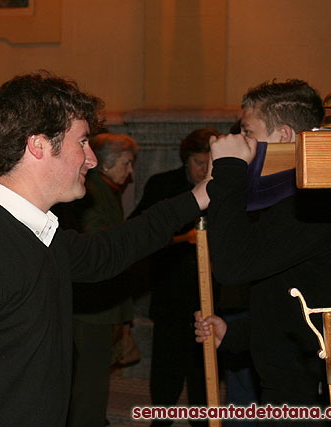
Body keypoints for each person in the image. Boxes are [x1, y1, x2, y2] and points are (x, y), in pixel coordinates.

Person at [0, 72, 219, 426]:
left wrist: (200, 195)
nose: (91, 159)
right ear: (37, 145)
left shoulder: (41, 234)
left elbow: (112, 249)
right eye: (82, 142)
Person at [195, 79, 331, 425]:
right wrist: (235, 335)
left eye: (247, 132)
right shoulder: (286, 201)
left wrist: (229, 171)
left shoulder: (316, 205)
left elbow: (232, 267)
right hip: (293, 389)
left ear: (285, 136)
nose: (241, 142)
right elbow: (293, 296)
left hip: (326, 397)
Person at [131, 127, 219, 427]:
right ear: (185, 160)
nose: (204, 171)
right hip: (170, 290)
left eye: (210, 165)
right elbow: (139, 233)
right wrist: (183, 238)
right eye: (198, 163)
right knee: (167, 363)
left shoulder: (225, 187)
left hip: (210, 293)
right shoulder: (163, 185)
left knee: (202, 364)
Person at [56, 133, 138, 427]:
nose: (130, 172)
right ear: (107, 163)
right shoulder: (95, 192)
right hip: (93, 304)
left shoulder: (105, 189)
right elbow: (98, 248)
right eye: (127, 164)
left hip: (98, 301)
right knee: (91, 376)